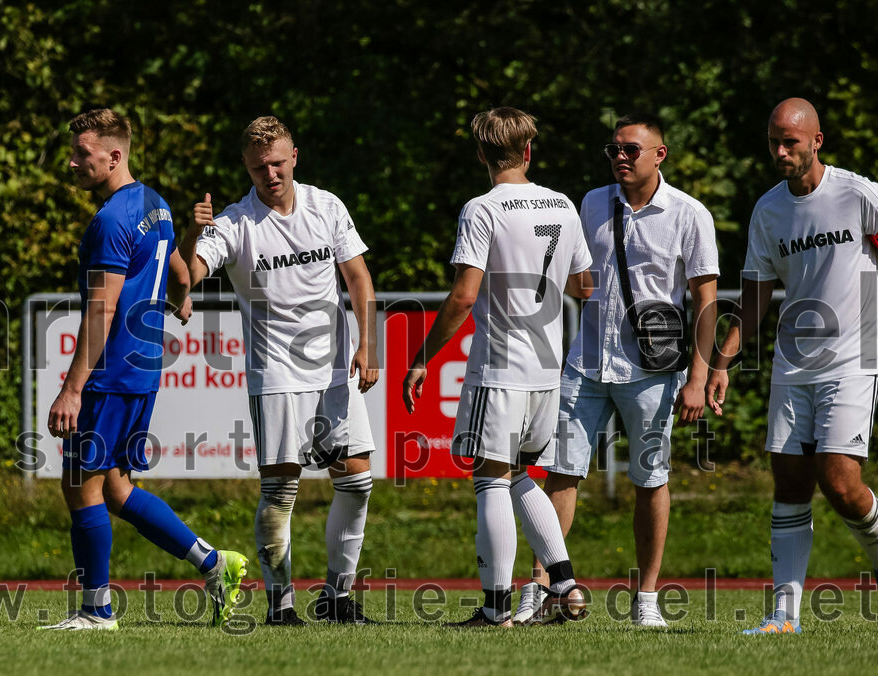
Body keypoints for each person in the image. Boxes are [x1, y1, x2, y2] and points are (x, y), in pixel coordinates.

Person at [43, 108, 248, 631]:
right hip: (143, 368)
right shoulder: (155, 204)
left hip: (111, 372)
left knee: (80, 483)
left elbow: (102, 309)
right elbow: (180, 270)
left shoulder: (111, 218)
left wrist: (71, 390)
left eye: (82, 154)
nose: (72, 163)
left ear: (114, 156)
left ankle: (96, 610)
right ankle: (214, 562)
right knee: (115, 486)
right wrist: (179, 298)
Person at [180, 116, 380, 625]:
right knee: (281, 489)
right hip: (276, 374)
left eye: (276, 162)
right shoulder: (233, 223)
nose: (270, 174)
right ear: (246, 169)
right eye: (257, 167)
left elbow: (357, 275)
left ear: (294, 156)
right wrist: (190, 235)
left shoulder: (326, 205)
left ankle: (337, 597)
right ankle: (281, 604)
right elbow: (190, 276)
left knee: (356, 480)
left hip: (334, 368)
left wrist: (368, 344)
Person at [402, 107, 594, 627]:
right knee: (520, 475)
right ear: (528, 151)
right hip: (547, 368)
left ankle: (495, 609)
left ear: (483, 154)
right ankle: (566, 581)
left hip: (501, 366)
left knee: (489, 480)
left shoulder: (482, 208)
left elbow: (464, 296)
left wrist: (422, 359)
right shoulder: (563, 205)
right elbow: (584, 285)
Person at [533, 112, 719, 627]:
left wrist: (699, 379)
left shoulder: (689, 214)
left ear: (659, 154)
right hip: (586, 363)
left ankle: (647, 601)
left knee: (650, 480)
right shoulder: (591, 202)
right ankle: (543, 589)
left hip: (653, 374)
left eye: (630, 149)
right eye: (613, 148)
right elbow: (578, 278)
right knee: (560, 474)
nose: (619, 156)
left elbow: (706, 302)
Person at [708, 98, 878, 635]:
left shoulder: (858, 195)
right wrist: (722, 363)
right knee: (789, 483)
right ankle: (784, 617)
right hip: (792, 366)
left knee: (841, 481)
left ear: (817, 140)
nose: (781, 152)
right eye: (774, 142)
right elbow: (756, 296)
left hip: (854, 360)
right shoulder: (768, 210)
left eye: (792, 142)